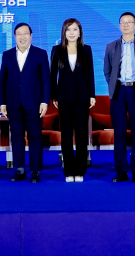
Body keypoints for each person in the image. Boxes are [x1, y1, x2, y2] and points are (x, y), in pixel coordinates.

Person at [103, 12, 135, 183]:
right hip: (118, 91)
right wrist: (114, 84)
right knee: (119, 133)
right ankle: (121, 171)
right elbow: (107, 71)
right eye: (123, 22)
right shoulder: (111, 46)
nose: (126, 25)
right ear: (119, 25)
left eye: (129, 22)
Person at [0, 23, 51, 183]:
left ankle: (35, 171)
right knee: (16, 136)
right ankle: (20, 170)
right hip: (13, 102)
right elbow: (3, 80)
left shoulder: (40, 54)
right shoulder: (7, 55)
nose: (22, 37)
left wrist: (44, 101)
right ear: (14, 36)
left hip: (34, 102)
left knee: (35, 136)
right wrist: (3, 102)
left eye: (25, 33)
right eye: (19, 34)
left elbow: (46, 80)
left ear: (31, 35)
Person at [50, 19, 95, 182]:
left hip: (82, 97)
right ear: (64, 32)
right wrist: (54, 95)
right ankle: (69, 170)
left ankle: (80, 170)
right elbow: (52, 75)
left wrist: (92, 95)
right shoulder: (56, 50)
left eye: (75, 29)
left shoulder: (86, 49)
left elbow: (90, 73)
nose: (71, 32)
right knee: (66, 134)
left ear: (80, 32)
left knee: (82, 134)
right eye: (68, 29)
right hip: (63, 97)